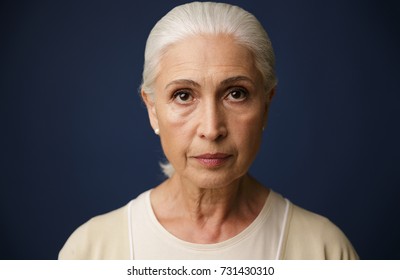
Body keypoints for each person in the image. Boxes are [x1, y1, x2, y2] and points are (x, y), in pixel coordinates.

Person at [58, 2, 358, 260]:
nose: (212, 129)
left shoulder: (325, 251)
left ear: (266, 105)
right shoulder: (90, 252)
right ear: (152, 109)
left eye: (236, 93)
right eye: (184, 95)